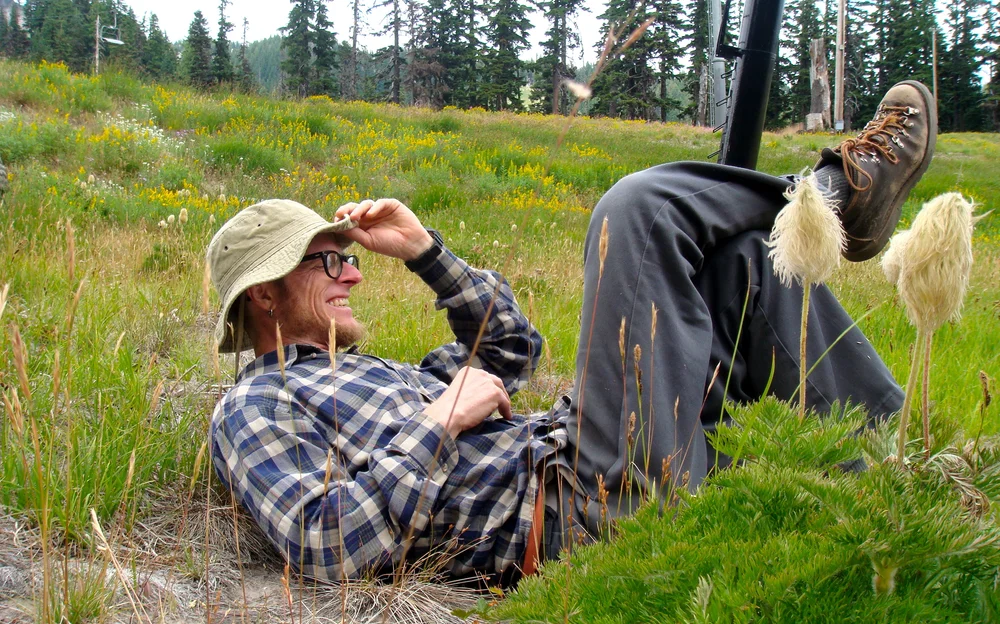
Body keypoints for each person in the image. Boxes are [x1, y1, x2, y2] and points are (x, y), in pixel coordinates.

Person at [207, 80, 936, 584]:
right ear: (267, 295)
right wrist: (437, 421)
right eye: (330, 260)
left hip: (587, 455)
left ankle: (888, 485)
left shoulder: (377, 374)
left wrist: (427, 254)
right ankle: (828, 196)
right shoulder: (254, 407)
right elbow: (322, 539)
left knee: (747, 262)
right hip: (571, 510)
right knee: (638, 211)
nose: (353, 273)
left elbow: (512, 348)